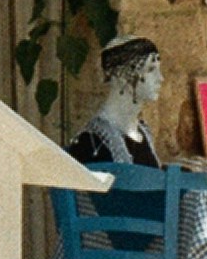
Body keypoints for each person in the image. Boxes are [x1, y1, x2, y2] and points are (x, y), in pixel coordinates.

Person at [69, 35, 165, 167]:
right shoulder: (93, 142)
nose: (160, 78)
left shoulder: (144, 134)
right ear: (121, 75)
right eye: (150, 69)